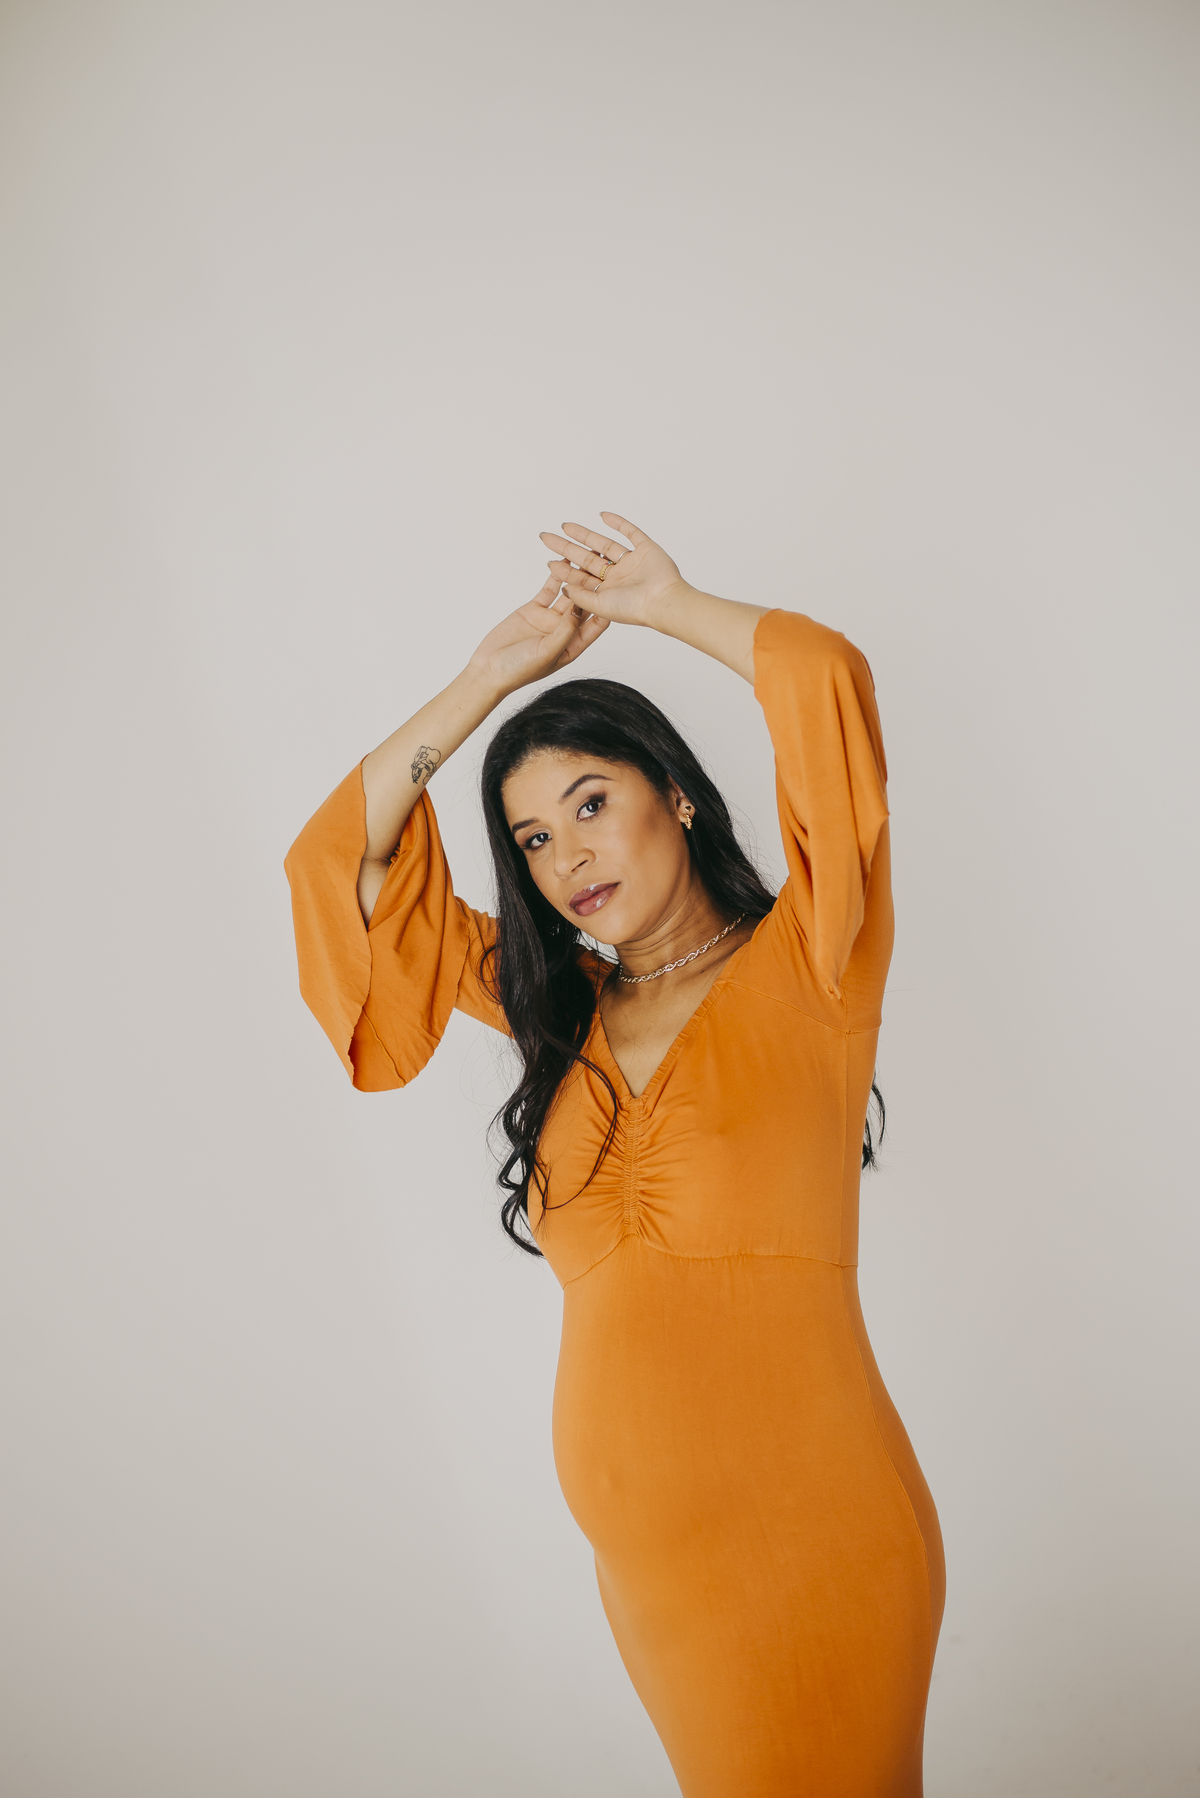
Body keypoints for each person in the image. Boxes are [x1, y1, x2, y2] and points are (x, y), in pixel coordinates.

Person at [284, 514, 945, 1797]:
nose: (569, 853)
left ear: (676, 793)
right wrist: (489, 677)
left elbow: (824, 677)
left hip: (819, 1529)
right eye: (534, 837)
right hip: (656, 1578)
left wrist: (666, 603)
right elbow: (338, 865)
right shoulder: (553, 1010)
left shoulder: (815, 960)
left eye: (592, 801)